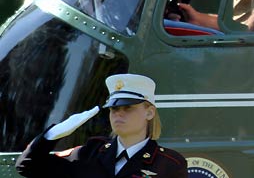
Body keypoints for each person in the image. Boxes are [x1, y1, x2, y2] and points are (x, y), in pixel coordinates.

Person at [15, 74, 187, 178]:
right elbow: (28, 166)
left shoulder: (169, 164)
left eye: (128, 108)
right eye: (114, 108)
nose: (119, 114)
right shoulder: (91, 152)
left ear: (149, 113)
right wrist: (51, 135)